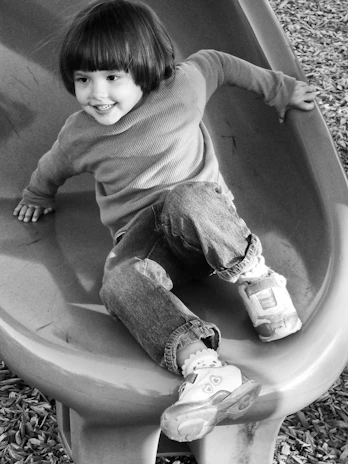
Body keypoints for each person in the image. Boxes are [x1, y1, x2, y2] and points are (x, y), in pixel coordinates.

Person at [13, 0, 316, 443]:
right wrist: (37, 194)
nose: (97, 94)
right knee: (117, 281)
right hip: (145, 240)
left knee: (185, 198)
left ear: (145, 70)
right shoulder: (80, 133)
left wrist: (279, 89)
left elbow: (220, 62)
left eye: (112, 77)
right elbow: (53, 165)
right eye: (83, 80)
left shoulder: (182, 88)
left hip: (205, 225)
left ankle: (259, 280)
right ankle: (206, 371)